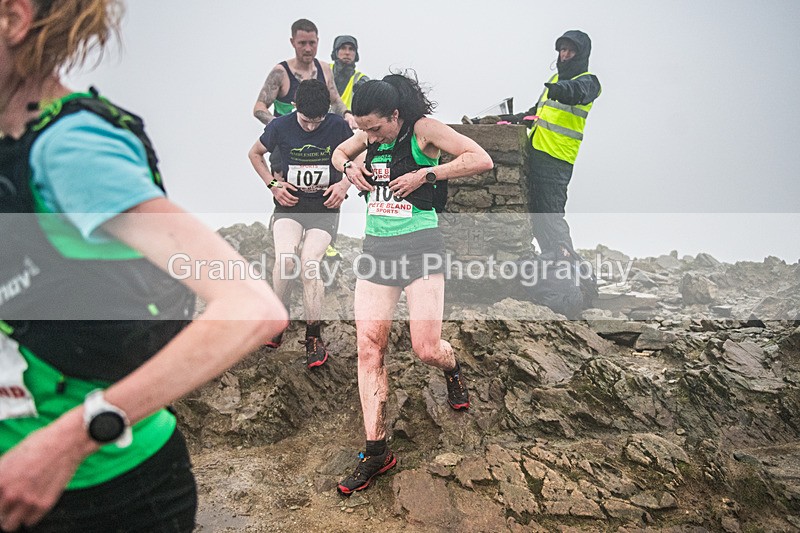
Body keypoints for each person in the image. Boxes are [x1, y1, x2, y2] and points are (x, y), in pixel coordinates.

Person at [0, 1, 288, 531]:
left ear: (14, 20)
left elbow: (250, 306)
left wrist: (67, 443)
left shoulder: (73, 151)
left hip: (100, 491)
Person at [330, 73, 493, 495]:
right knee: (369, 348)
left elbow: (480, 158)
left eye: (375, 128)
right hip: (376, 250)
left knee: (426, 348)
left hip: (422, 248)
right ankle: (376, 450)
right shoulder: (366, 136)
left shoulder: (423, 130)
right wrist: (350, 165)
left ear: (395, 115)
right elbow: (337, 153)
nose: (366, 134)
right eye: (362, 127)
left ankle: (452, 367)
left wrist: (428, 175)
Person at [248, 79, 353, 367]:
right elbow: (254, 154)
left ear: (327, 112)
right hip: (289, 205)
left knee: (309, 264)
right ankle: (278, 321)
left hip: (324, 209)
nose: (310, 127)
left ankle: (313, 335)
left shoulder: (338, 126)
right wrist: (272, 184)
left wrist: (344, 185)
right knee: (285, 260)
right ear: (295, 107)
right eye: (305, 121)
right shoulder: (279, 126)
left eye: (317, 121)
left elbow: (362, 153)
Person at [470, 30, 601, 258]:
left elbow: (576, 93)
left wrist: (562, 89)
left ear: (581, 54)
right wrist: (505, 120)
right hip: (538, 152)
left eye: (571, 50)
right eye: (562, 50)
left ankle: (570, 273)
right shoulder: (553, 81)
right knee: (540, 219)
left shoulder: (589, 82)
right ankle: (556, 267)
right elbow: (534, 115)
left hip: (557, 159)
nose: (565, 55)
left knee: (551, 217)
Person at [330, 35, 369, 110]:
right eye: (343, 48)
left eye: (351, 49)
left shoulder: (361, 79)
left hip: (347, 120)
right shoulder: (323, 70)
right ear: (336, 52)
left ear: (356, 54)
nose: (347, 52)